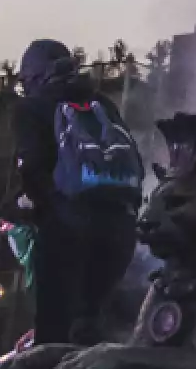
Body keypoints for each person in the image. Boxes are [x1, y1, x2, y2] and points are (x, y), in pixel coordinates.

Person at [12, 38, 143, 347]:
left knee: (54, 334)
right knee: (95, 327)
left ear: (34, 76)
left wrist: (46, 210)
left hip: (68, 229)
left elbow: (32, 169)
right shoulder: (103, 105)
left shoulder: (31, 108)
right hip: (121, 231)